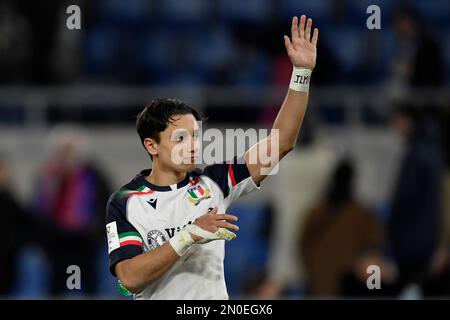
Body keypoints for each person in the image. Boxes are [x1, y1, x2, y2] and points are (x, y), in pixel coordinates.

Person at [106, 15, 319, 299]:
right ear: (152, 145)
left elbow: (281, 143)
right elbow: (129, 278)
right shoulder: (126, 202)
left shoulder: (214, 183)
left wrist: (301, 73)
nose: (193, 146)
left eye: (195, 137)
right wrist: (188, 236)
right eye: (180, 138)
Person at [33, 127, 111, 295]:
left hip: (85, 240)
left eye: (71, 150)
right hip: (57, 239)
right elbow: (41, 206)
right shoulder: (50, 175)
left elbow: (105, 205)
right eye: (63, 150)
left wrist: (96, 232)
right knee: (58, 283)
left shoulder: (94, 176)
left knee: (85, 282)